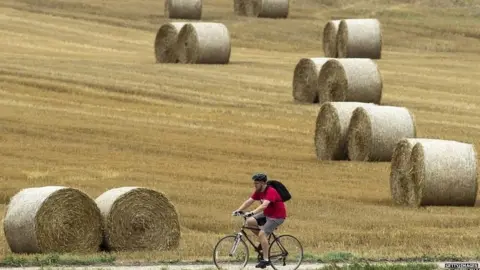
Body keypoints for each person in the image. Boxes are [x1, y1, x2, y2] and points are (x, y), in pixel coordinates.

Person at [232, 173, 287, 269]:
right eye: (254, 183)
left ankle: (266, 260)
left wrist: (252, 212)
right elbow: (249, 201)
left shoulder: (271, 191)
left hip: (277, 216)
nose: (255, 185)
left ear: (263, 183)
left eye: (256, 183)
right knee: (250, 221)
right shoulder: (258, 191)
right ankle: (264, 241)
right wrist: (238, 210)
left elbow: (264, 205)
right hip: (267, 214)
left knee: (262, 234)